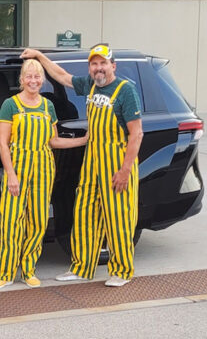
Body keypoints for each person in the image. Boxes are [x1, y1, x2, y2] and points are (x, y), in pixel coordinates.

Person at [20, 44, 143, 287]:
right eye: (94, 64)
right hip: (92, 162)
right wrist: (39, 56)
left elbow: (136, 134)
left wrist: (125, 171)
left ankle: (121, 271)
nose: (98, 68)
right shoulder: (89, 84)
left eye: (103, 63)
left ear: (112, 66)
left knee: (118, 218)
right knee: (85, 213)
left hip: (117, 163)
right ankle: (82, 267)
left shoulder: (125, 91)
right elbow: (62, 76)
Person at [0, 59, 88, 290]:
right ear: (21, 80)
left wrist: (83, 140)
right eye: (29, 77)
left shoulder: (47, 107)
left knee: (38, 222)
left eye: (37, 77)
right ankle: (5, 272)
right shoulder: (10, 105)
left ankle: (29, 270)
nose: (33, 81)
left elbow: (52, 141)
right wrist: (11, 175)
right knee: (12, 221)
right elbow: (3, 144)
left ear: (42, 81)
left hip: (43, 169)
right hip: (18, 168)